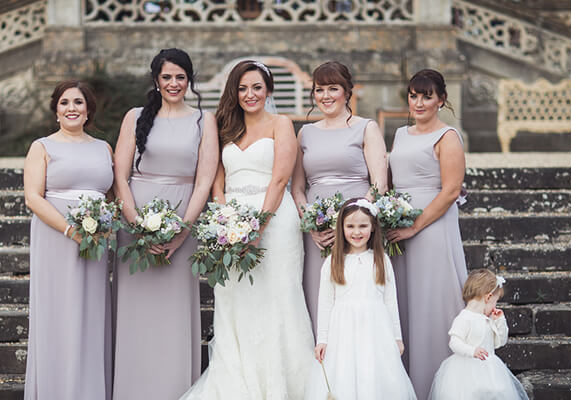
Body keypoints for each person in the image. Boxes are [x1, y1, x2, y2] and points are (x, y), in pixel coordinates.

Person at [180, 60, 314, 399]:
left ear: (268, 90)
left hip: (275, 222)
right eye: (242, 88)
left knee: (278, 297)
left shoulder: (282, 123)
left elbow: (281, 177)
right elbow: (216, 181)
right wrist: (226, 221)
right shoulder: (226, 125)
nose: (249, 94)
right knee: (234, 299)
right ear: (234, 92)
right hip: (231, 225)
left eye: (256, 87)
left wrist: (258, 226)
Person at [112, 48, 219, 400]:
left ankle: (174, 390)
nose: (174, 83)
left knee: (173, 312)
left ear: (190, 80)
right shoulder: (134, 117)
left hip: (182, 222)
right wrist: (137, 224)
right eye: (167, 77)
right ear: (156, 80)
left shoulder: (205, 120)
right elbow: (120, 176)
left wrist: (183, 230)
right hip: (135, 225)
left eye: (180, 77)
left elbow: (204, 181)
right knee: (136, 311)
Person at [23, 80, 113, 399]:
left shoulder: (103, 148)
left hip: (95, 243)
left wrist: (104, 226)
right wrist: (70, 230)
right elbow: (33, 198)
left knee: (90, 314)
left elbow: (113, 195)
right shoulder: (42, 147)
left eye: (78, 102)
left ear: (88, 110)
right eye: (64, 102)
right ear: (56, 111)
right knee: (58, 313)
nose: (71, 108)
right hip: (56, 238)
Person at [387, 68, 468, 399]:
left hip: (432, 227)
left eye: (426, 96)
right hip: (399, 229)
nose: (418, 103)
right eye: (413, 95)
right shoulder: (400, 134)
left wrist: (415, 226)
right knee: (404, 303)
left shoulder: (448, 137)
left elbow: (450, 191)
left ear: (441, 100)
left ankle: (438, 385)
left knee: (433, 302)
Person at [291, 61, 387, 335]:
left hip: (357, 231)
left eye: (333, 88)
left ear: (347, 92)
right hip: (318, 235)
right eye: (319, 89)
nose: (326, 96)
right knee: (320, 300)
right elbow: (297, 188)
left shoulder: (365, 128)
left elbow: (379, 183)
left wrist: (353, 222)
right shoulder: (305, 133)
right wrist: (311, 225)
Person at [304, 198, 416, 400]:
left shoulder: (381, 260)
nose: (357, 232)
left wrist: (397, 337)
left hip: (376, 330)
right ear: (342, 228)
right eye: (350, 226)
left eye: (363, 226)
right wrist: (322, 339)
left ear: (372, 227)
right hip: (343, 331)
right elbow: (326, 303)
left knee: (373, 373)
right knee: (345, 374)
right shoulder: (332, 261)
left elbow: (390, 301)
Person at [429, 269, 529, 399]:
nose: (495, 306)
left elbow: (500, 342)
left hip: (489, 370)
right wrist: (472, 351)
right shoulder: (464, 318)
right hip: (465, 371)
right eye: (495, 301)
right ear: (488, 298)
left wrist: (500, 321)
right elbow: (454, 342)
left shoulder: (488, 319)